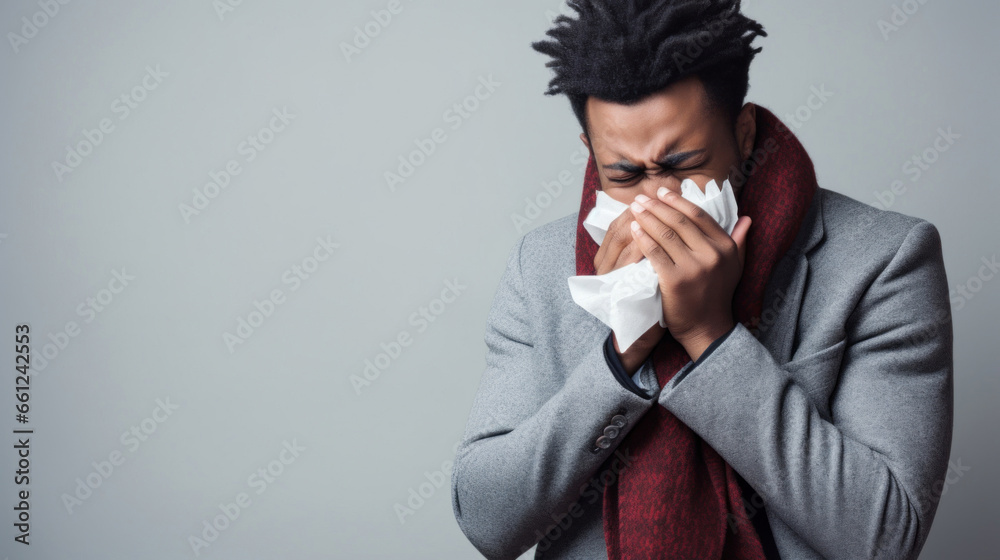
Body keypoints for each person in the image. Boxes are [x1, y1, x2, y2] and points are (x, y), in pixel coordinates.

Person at [450, 1, 953, 559]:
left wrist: (709, 336)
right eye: (625, 175)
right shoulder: (540, 265)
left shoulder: (883, 259)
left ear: (744, 134)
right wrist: (625, 349)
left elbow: (885, 538)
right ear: (592, 154)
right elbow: (487, 521)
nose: (657, 200)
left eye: (683, 165)